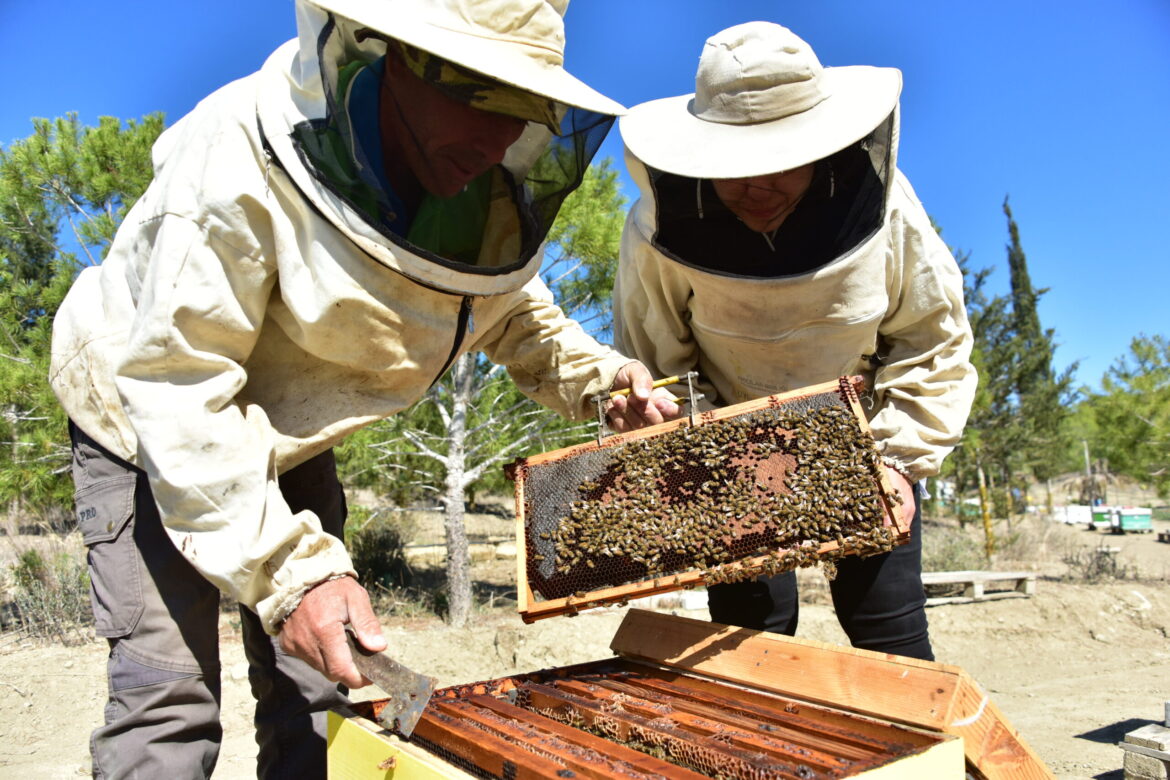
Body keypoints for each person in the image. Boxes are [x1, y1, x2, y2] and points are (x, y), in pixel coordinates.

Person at [48, 1, 678, 777]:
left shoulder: (476, 192)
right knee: (167, 701)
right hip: (144, 422)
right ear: (398, 58)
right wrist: (290, 576)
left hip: (289, 433)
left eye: (523, 110)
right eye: (477, 97)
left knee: (319, 683)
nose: (496, 141)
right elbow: (178, 381)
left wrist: (604, 380)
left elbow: (517, 316)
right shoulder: (235, 160)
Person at [613, 22, 977, 661]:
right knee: (749, 644)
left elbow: (931, 342)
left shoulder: (888, 210)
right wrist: (690, 455)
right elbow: (658, 366)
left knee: (890, 635)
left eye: (782, 163)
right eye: (736, 168)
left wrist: (898, 461)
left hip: (867, 445)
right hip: (733, 451)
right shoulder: (658, 229)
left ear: (823, 148)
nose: (758, 189)